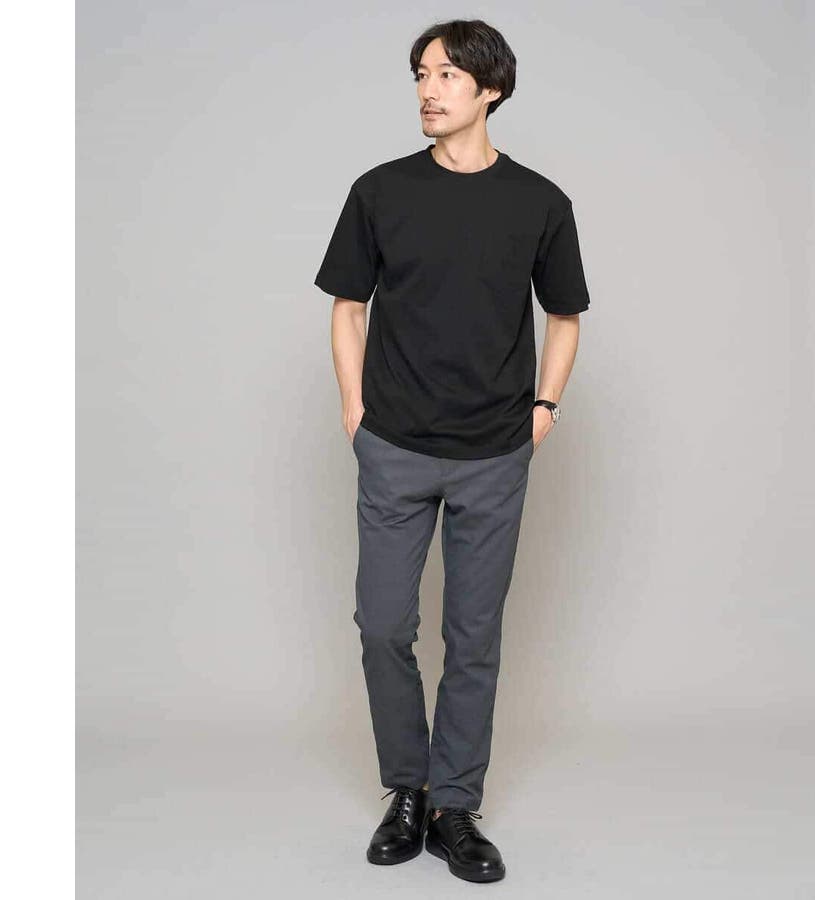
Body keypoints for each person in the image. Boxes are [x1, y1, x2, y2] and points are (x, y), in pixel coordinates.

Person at [313, 18, 590, 884]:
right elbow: (347, 306)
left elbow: (565, 316)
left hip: (494, 453)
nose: (428, 91)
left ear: (490, 89)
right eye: (420, 75)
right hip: (394, 445)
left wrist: (543, 409)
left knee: (474, 637)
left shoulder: (540, 203)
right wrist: (355, 411)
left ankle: (454, 807)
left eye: (446, 76)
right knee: (383, 625)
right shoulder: (380, 191)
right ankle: (406, 788)